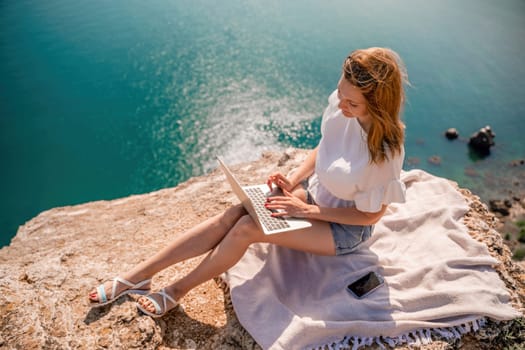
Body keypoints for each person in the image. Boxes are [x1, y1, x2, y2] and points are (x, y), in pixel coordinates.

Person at [88, 47, 409, 318]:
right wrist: (293, 179)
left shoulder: (384, 151)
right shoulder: (343, 106)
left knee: (248, 229)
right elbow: (327, 146)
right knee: (235, 212)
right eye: (341, 93)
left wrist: (306, 211)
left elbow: (370, 216)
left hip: (342, 229)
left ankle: (176, 290)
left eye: (351, 103)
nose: (341, 105)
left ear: (377, 103)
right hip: (311, 197)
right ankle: (139, 276)